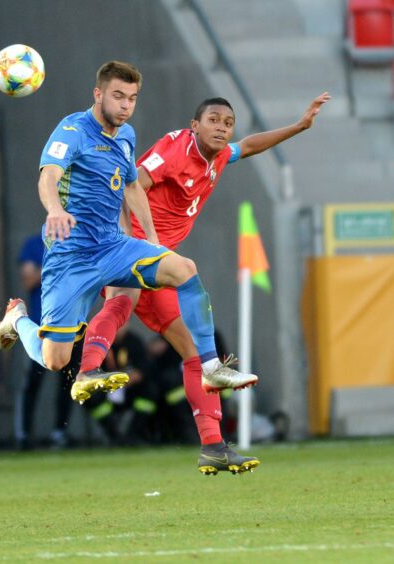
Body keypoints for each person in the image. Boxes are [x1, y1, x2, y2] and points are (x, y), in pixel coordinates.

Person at [0, 60, 257, 464]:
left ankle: (210, 367)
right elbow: (48, 176)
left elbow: (132, 185)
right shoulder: (71, 130)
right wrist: (54, 210)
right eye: (118, 96)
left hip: (115, 245)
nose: (126, 106)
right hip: (70, 255)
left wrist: (151, 240)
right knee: (54, 359)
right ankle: (18, 320)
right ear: (98, 94)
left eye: (132, 98)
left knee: (183, 268)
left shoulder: (127, 135)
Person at [77, 91, 331, 475]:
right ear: (195, 125)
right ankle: (88, 370)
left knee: (190, 352)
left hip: (158, 261)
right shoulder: (176, 148)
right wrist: (134, 244)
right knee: (129, 297)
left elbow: (249, 146)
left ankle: (213, 446)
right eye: (213, 120)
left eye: (227, 123)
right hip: (135, 247)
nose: (222, 128)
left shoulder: (217, 158)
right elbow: (131, 188)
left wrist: (300, 126)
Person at [14, 234, 77, 450]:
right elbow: (28, 279)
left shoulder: (79, 238)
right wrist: (57, 266)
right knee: (32, 383)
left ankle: (60, 432)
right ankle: (23, 435)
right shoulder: (36, 243)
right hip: (40, 327)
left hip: (72, 325)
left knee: (68, 382)